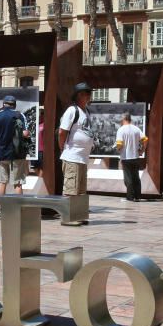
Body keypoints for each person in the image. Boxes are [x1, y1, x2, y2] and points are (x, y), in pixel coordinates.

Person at [58, 82, 94, 226]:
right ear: (80, 95)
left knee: (80, 190)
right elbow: (62, 132)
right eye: (87, 94)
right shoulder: (72, 111)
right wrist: (62, 148)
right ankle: (67, 217)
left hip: (83, 157)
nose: (89, 96)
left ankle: (78, 215)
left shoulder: (86, 111)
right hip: (72, 156)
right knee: (70, 189)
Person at [115, 112, 147, 202]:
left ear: (123, 119)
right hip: (136, 157)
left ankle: (130, 197)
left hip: (126, 157)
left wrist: (118, 149)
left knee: (128, 178)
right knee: (136, 177)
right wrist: (142, 150)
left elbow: (119, 144)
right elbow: (145, 140)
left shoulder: (121, 130)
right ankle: (138, 196)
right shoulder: (136, 129)